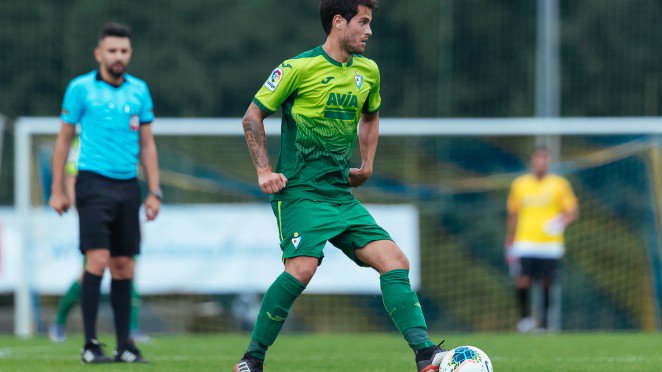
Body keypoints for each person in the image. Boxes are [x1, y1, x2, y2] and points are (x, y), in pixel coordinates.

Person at [234, 1, 448, 371]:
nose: (369, 31)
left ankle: (426, 355)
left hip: (340, 195)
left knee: (395, 261)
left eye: (370, 23)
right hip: (299, 192)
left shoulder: (368, 70)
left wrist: (366, 165)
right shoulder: (297, 68)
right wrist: (264, 170)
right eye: (363, 22)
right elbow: (252, 116)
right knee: (302, 268)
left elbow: (371, 115)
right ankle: (251, 361)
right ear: (338, 22)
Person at [49, 22, 161, 363]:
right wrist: (57, 190)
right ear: (99, 53)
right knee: (97, 260)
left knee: (125, 265)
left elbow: (147, 143)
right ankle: (90, 344)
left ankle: (125, 344)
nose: (118, 56)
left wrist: (154, 191)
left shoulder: (139, 90)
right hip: (92, 184)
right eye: (112, 50)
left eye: (124, 51)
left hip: (128, 186)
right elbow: (64, 139)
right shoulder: (80, 89)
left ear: (130, 54)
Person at [48, 138, 150, 344]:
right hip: (96, 214)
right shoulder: (83, 141)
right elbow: (72, 176)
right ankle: (60, 323)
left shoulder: (122, 138)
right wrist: (85, 211)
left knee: (126, 267)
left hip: (121, 211)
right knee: (89, 273)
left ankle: (131, 330)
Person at [505, 147, 579, 333]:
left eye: (544, 160)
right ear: (532, 162)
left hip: (550, 244)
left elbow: (572, 212)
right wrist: (510, 238)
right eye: (537, 160)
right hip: (525, 241)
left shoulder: (559, 184)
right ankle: (525, 319)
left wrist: (560, 221)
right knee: (522, 280)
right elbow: (513, 214)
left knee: (547, 281)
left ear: (548, 163)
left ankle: (544, 325)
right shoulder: (520, 184)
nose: (541, 164)